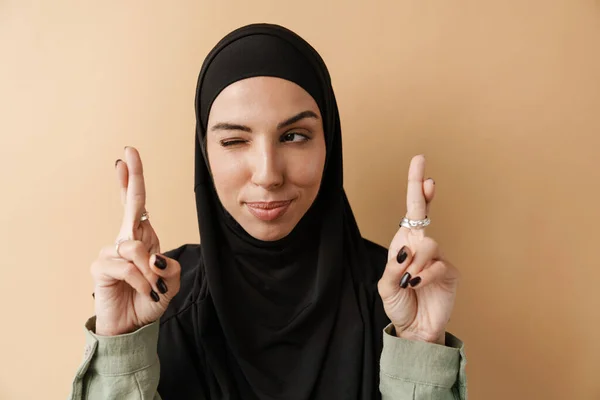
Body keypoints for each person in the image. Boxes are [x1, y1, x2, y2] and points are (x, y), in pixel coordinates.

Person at [69, 23, 467, 400]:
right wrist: (121, 348)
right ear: (204, 155)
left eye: (294, 136)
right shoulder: (159, 303)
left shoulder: (393, 298)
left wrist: (418, 346)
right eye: (235, 140)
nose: (268, 174)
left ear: (329, 144)